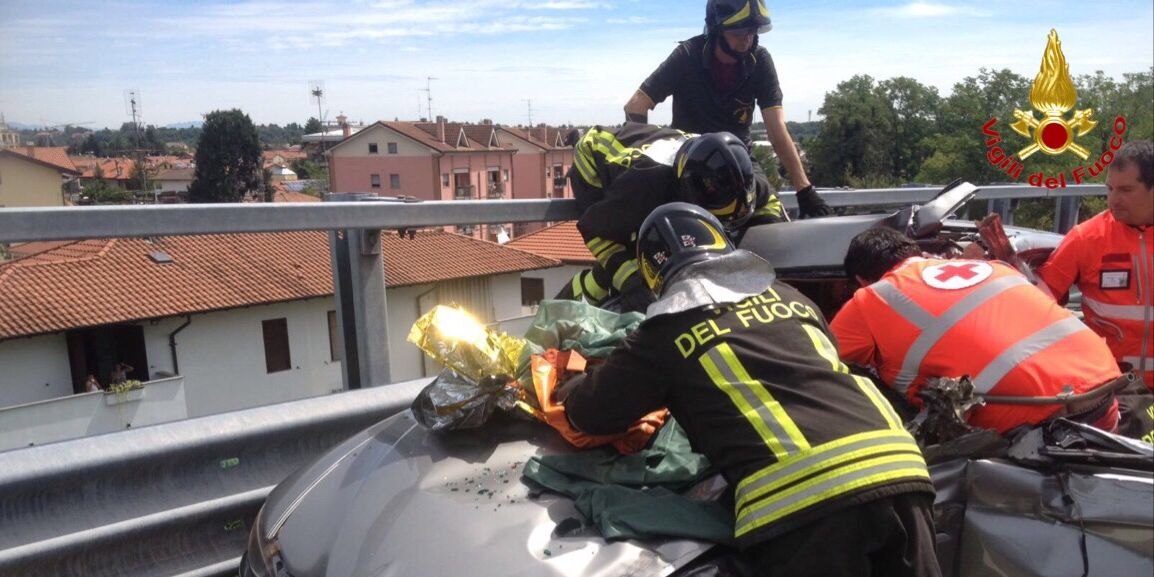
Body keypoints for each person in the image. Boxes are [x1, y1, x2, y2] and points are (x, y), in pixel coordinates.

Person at [559, 203, 941, 577]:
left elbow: (591, 413)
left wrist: (569, 385)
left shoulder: (663, 332)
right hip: (902, 467)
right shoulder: (794, 299)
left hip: (808, 500)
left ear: (653, 274)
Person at [830, 227, 1125, 434]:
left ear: (860, 279)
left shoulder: (870, 299)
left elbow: (817, 362)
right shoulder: (993, 268)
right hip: (1105, 389)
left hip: (1036, 419)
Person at [623, 0, 831, 218]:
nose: (747, 38)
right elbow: (636, 105)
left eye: (752, 30)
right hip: (690, 165)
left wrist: (804, 190)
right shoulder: (688, 56)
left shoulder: (760, 61)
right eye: (739, 30)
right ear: (716, 30)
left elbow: (777, 129)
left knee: (772, 223)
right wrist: (642, 162)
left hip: (740, 161)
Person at [557, 123, 787, 312]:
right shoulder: (644, 187)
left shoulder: (741, 171)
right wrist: (631, 280)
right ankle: (565, 308)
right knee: (627, 264)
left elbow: (770, 207)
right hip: (593, 163)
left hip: (653, 149)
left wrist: (759, 256)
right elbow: (594, 231)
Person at [1034, 140, 1153, 390]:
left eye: (1126, 190)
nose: (1114, 199)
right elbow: (1038, 304)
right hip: (1109, 386)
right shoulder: (1085, 238)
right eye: (1110, 189)